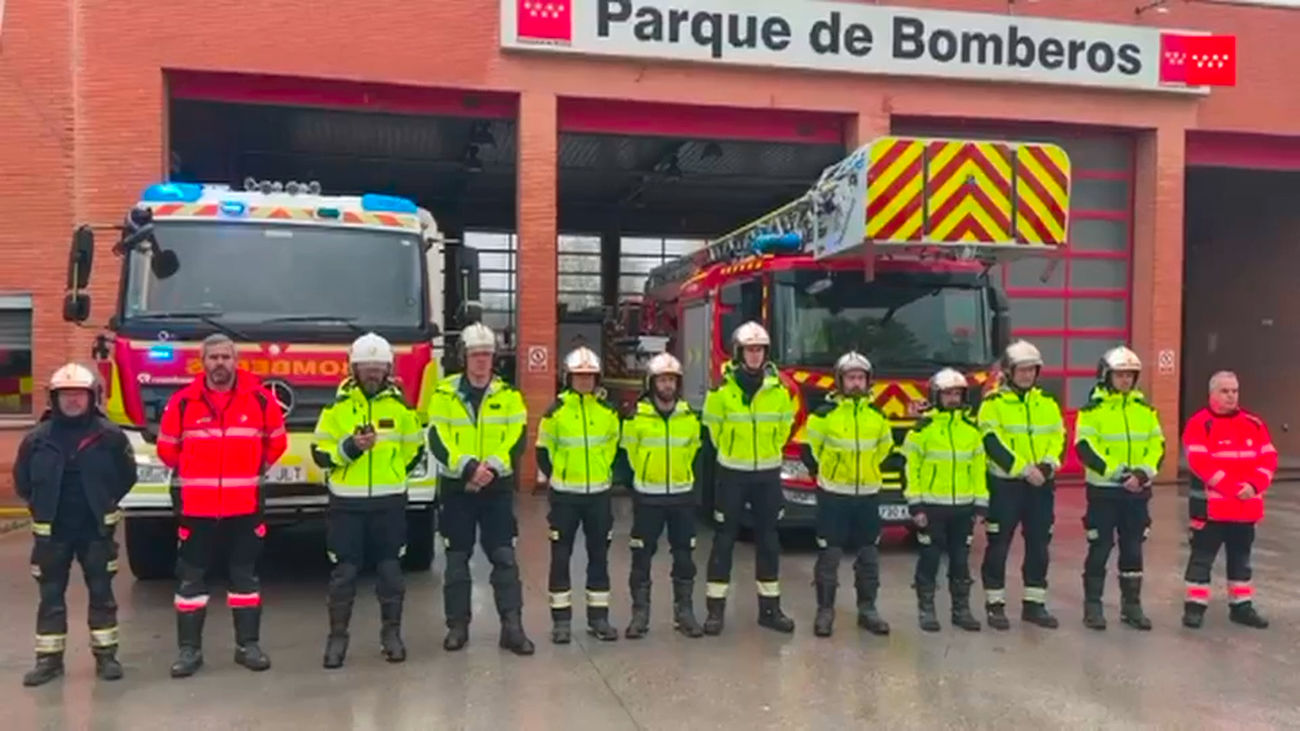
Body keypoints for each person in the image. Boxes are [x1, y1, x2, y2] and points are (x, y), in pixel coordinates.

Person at [157, 333, 287, 676]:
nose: (219, 363)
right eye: (213, 357)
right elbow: (167, 450)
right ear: (203, 362)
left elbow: (276, 444)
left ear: (236, 361)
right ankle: (189, 652)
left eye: (225, 357)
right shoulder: (183, 402)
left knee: (245, 580)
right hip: (196, 510)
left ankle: (248, 646)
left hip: (244, 509)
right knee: (190, 584)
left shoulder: (260, 399)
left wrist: (246, 472)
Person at [14, 364, 136, 686]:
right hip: (52, 535)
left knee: (101, 593)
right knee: (50, 597)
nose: (72, 401)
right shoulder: (37, 439)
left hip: (96, 530)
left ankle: (107, 658)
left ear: (91, 397)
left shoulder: (109, 436)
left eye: (78, 395)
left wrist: (105, 503)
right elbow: (22, 480)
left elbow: (127, 476)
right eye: (65, 395)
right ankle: (48, 661)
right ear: (53, 399)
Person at [312, 333, 425, 668]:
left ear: (388, 369)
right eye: (367, 367)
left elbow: (414, 448)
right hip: (347, 504)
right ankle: (337, 639)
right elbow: (320, 453)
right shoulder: (336, 409)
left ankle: (391, 636)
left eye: (379, 368)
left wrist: (393, 473)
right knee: (343, 574)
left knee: (391, 571)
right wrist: (350, 449)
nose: (373, 374)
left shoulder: (401, 408)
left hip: (389, 503)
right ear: (354, 369)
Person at [426, 322, 534, 655]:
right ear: (464, 357)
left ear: (494, 358)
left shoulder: (509, 396)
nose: (481, 361)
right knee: (457, 560)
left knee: (504, 557)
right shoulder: (443, 395)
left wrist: (491, 469)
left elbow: (517, 438)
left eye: (486, 355)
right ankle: (457, 627)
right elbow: (436, 438)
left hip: (496, 489)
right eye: (475, 355)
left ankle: (512, 627)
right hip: (457, 489)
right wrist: (469, 468)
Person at [701, 321, 798, 635]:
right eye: (749, 350)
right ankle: (715, 612)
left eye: (760, 350)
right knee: (724, 541)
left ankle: (770, 610)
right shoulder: (720, 392)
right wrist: (733, 452)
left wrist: (768, 451)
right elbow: (713, 431)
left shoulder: (779, 391)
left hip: (767, 476)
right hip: (732, 474)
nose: (755, 355)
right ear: (738, 352)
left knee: (769, 542)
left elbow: (785, 427)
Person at [799, 351, 893, 638]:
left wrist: (871, 470)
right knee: (830, 554)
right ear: (840, 381)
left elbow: (885, 448)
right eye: (851, 377)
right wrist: (825, 475)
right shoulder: (823, 415)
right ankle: (825, 611)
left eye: (860, 378)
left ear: (868, 381)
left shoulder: (877, 415)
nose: (856, 383)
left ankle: (868, 610)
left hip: (867, 495)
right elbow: (807, 449)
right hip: (834, 495)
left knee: (869, 554)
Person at [1074, 346, 1164, 631]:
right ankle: (1093, 606)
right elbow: (1085, 448)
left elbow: (1157, 445)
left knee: (1133, 550)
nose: (1125, 380)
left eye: (1130, 375)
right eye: (1120, 375)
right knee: (1100, 548)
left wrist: (1143, 473)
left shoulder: (1145, 411)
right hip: (1104, 492)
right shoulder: (1092, 411)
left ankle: (1132, 606)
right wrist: (1118, 473)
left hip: (1137, 492)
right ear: (1106, 376)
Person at [977, 340, 1065, 630]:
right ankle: (995, 604)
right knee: (999, 545)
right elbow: (991, 442)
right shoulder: (993, 404)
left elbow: (1058, 437)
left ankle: (1034, 604)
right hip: (1006, 486)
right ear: (1009, 372)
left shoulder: (1048, 404)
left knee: (1039, 545)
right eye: (1022, 370)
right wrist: (1022, 469)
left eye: (1032, 370)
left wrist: (1047, 466)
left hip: (1041, 485)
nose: (1028, 375)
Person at [536, 346, 621, 644]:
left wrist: (602, 472)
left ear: (597, 379)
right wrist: (559, 475)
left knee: (599, 557)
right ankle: (561, 623)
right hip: (565, 498)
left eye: (589, 376)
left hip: (598, 496)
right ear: (568, 378)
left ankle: (599, 619)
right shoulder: (555, 412)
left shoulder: (608, 412)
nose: (584, 381)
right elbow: (543, 451)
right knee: (561, 558)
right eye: (579, 376)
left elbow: (614, 446)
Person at [1180, 371, 1274, 629]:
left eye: (1234, 391)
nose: (1231, 396)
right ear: (1212, 394)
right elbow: (1200, 462)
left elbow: (1268, 459)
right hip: (1211, 510)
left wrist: (1254, 485)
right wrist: (1234, 488)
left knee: (1241, 560)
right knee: (1201, 559)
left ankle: (1241, 607)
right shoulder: (1200, 423)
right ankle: (1194, 608)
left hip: (1245, 509)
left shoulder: (1254, 423)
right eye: (1225, 391)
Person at [621, 352, 705, 639]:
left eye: (672, 380)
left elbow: (697, 455)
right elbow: (624, 457)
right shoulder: (635, 418)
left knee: (684, 558)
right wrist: (637, 483)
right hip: (648, 498)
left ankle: (685, 613)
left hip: (681, 497)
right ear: (651, 383)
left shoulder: (690, 418)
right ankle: (640, 615)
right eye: (662, 380)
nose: (667, 386)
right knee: (641, 558)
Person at [904, 368, 988, 633]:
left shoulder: (972, 432)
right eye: (947, 394)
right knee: (929, 558)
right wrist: (915, 505)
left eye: (957, 394)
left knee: (961, 561)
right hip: (931, 508)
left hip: (963, 509)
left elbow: (978, 470)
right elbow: (910, 471)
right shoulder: (921, 431)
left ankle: (961, 609)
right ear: (935, 395)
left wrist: (980, 504)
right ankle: (926, 609)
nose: (953, 398)